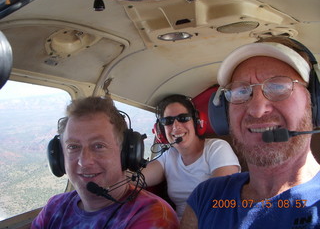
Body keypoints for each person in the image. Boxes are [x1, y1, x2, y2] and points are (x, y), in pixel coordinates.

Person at [180, 36, 320, 229]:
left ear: (313, 103)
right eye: (240, 91)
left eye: (279, 86)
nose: (257, 110)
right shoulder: (207, 196)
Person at [31, 96, 179, 229]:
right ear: (59, 156)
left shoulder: (153, 216)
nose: (84, 162)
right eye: (73, 147)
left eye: (98, 146)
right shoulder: (54, 207)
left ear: (126, 153)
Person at [142, 94, 240, 220]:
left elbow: (221, 197)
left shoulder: (217, 148)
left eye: (183, 118)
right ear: (161, 130)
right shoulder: (168, 156)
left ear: (196, 121)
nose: (176, 126)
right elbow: (137, 179)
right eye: (168, 121)